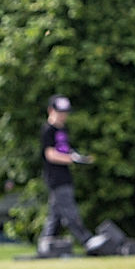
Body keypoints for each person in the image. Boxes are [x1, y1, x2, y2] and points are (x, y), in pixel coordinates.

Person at [38, 94, 96, 256]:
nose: (63, 116)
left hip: (65, 176)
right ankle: (87, 241)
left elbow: (65, 149)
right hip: (56, 178)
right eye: (60, 112)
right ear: (51, 110)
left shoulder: (63, 129)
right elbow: (50, 154)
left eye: (65, 112)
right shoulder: (48, 130)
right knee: (70, 212)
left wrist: (77, 157)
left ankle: (46, 243)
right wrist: (71, 159)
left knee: (55, 214)